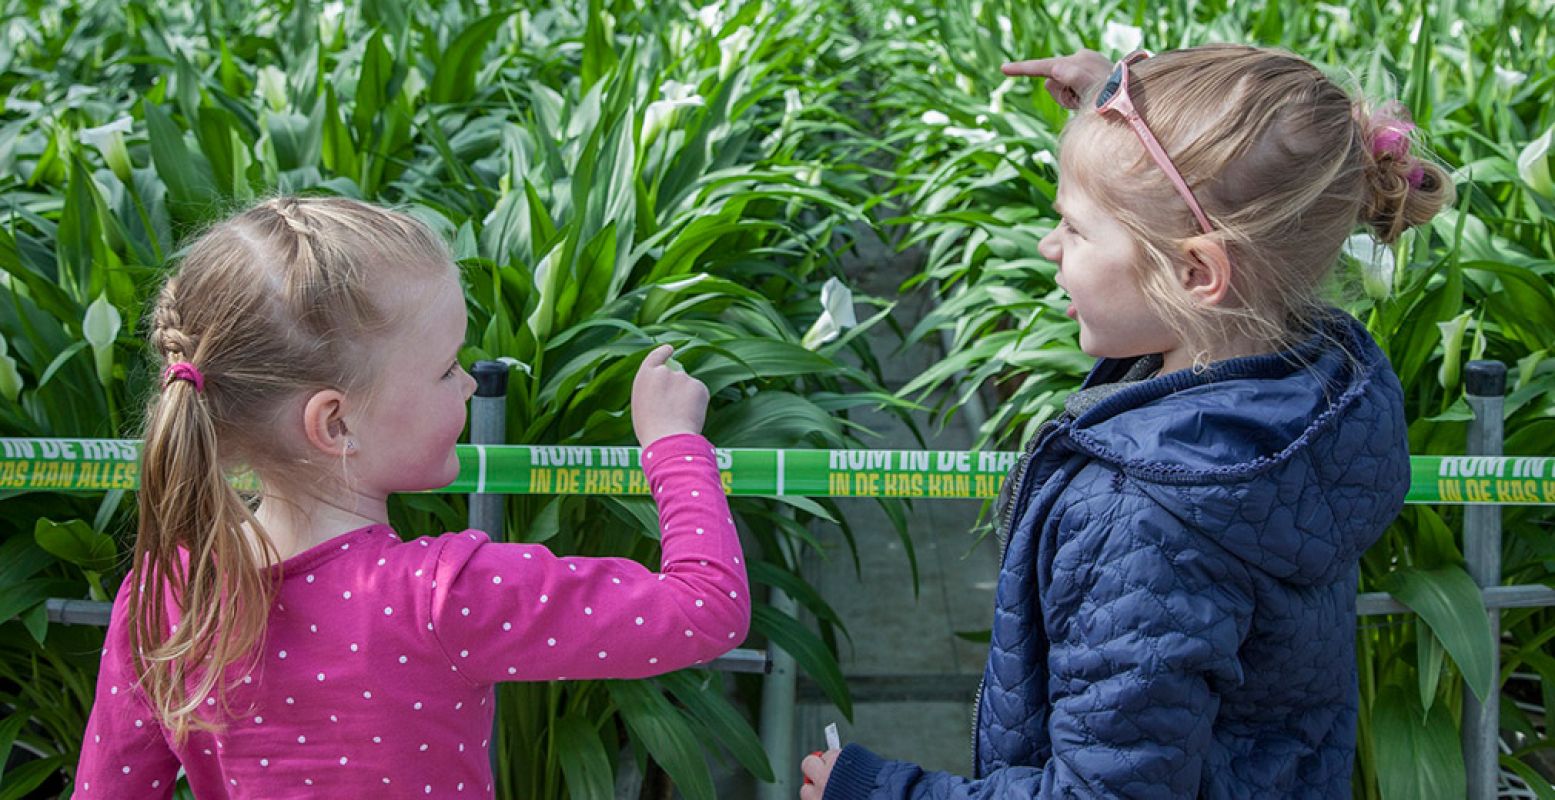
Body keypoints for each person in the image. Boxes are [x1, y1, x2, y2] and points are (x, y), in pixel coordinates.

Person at [802, 44, 1451, 798]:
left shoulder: (1144, 522)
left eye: (1075, 230)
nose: (1049, 246)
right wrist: (1123, 105)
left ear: (1197, 272)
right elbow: (1239, 169)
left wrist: (879, 791)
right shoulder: (1315, 390)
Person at [73, 196, 749, 797]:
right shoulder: (440, 596)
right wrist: (673, 444)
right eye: (446, 367)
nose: (466, 386)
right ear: (336, 423)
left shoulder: (166, 594)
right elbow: (704, 610)